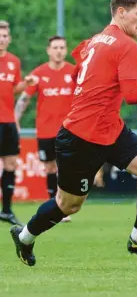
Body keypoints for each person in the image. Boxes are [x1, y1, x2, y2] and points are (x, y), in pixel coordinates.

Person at [9, 0, 137, 267]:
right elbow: (132, 96)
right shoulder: (124, 46)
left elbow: (76, 73)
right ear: (121, 12)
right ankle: (24, 237)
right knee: (68, 205)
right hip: (81, 137)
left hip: (111, 128)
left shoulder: (96, 40)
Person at [15, 36, 75, 223]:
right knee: (50, 167)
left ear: (65, 50)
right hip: (45, 131)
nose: (58, 51)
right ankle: (53, 204)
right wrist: (15, 119)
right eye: (55, 47)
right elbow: (24, 98)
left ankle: (64, 206)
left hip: (68, 130)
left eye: (62, 47)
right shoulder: (39, 73)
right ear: (48, 50)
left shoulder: (73, 72)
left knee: (66, 168)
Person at [0, 20, 37, 225]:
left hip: (8, 121)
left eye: (5, 35)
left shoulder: (13, 61)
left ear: (9, 38)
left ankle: (6, 210)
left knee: (11, 164)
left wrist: (26, 83)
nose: (2, 39)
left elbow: (12, 89)